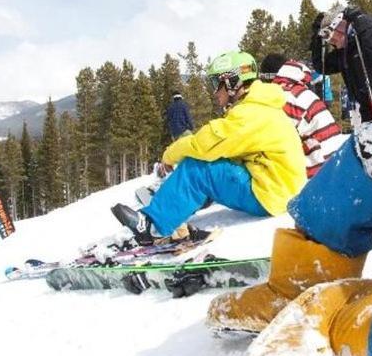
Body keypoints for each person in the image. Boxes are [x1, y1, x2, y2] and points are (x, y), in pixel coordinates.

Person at [111, 50, 306, 244]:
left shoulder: (249, 114)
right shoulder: (261, 107)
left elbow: (202, 144)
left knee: (197, 169)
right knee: (211, 165)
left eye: (216, 84)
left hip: (271, 194)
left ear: (232, 82)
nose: (214, 92)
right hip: (278, 188)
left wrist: (169, 155)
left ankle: (153, 228)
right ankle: (180, 204)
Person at [259, 53, 343, 179]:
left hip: (321, 172)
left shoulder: (285, 98)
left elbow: (275, 145)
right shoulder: (298, 90)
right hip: (334, 162)